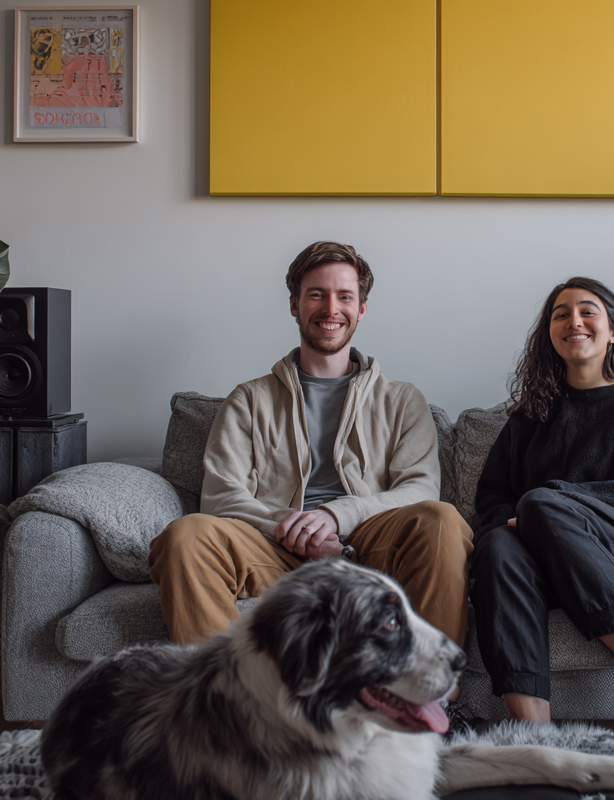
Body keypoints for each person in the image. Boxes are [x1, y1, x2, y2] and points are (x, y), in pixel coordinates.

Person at [149, 241, 473, 650]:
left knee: (441, 519)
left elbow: (421, 489)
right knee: (186, 535)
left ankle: (430, 703)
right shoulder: (249, 399)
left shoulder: (403, 400)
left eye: (345, 296)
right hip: (273, 546)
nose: (331, 308)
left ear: (362, 308)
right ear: (294, 305)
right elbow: (221, 497)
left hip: (369, 545)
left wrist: (338, 516)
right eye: (317, 294)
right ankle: (230, 706)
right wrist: (296, 529)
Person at [469, 277, 614, 749]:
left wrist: (556, 504)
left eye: (587, 310)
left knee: (540, 501)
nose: (573, 320)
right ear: (549, 336)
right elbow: (492, 499)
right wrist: (526, 522)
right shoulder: (529, 418)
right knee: (496, 542)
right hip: (551, 567)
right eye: (560, 314)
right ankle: (535, 741)